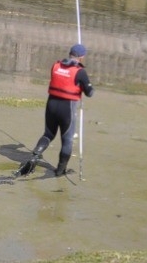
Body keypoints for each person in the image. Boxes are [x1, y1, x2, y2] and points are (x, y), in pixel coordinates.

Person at [18, 43, 94, 177]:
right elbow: (89, 93)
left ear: (70, 54)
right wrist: (85, 85)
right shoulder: (80, 72)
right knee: (67, 139)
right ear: (81, 57)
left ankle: (35, 155)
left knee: (48, 134)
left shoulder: (56, 66)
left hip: (52, 105)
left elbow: (61, 80)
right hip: (67, 108)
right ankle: (60, 170)